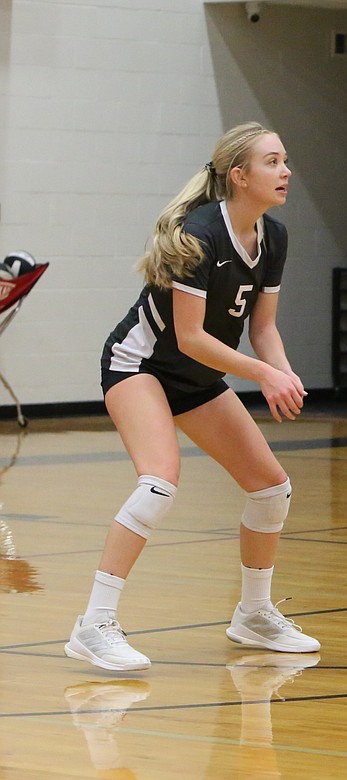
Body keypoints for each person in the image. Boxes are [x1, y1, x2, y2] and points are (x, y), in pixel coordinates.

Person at [63, 122, 320, 671]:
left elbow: (264, 328)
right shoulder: (200, 233)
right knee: (159, 483)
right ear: (239, 175)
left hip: (196, 376)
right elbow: (191, 337)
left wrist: (285, 374)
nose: (286, 171)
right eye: (273, 162)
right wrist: (261, 376)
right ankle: (95, 624)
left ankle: (253, 614)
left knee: (271, 489)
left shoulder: (273, 236)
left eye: (285, 160)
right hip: (142, 365)